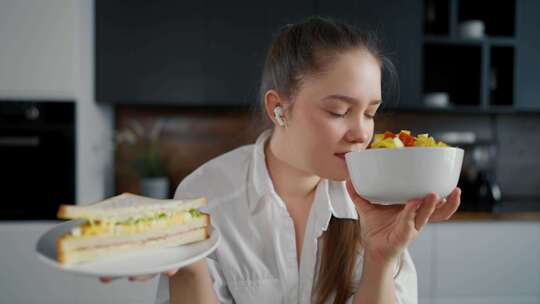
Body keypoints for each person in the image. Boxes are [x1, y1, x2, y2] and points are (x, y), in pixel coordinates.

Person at [101, 16, 461, 304]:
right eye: (338, 111)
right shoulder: (204, 195)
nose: (360, 133)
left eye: (369, 113)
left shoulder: (379, 199)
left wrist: (381, 259)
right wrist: (191, 266)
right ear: (278, 108)